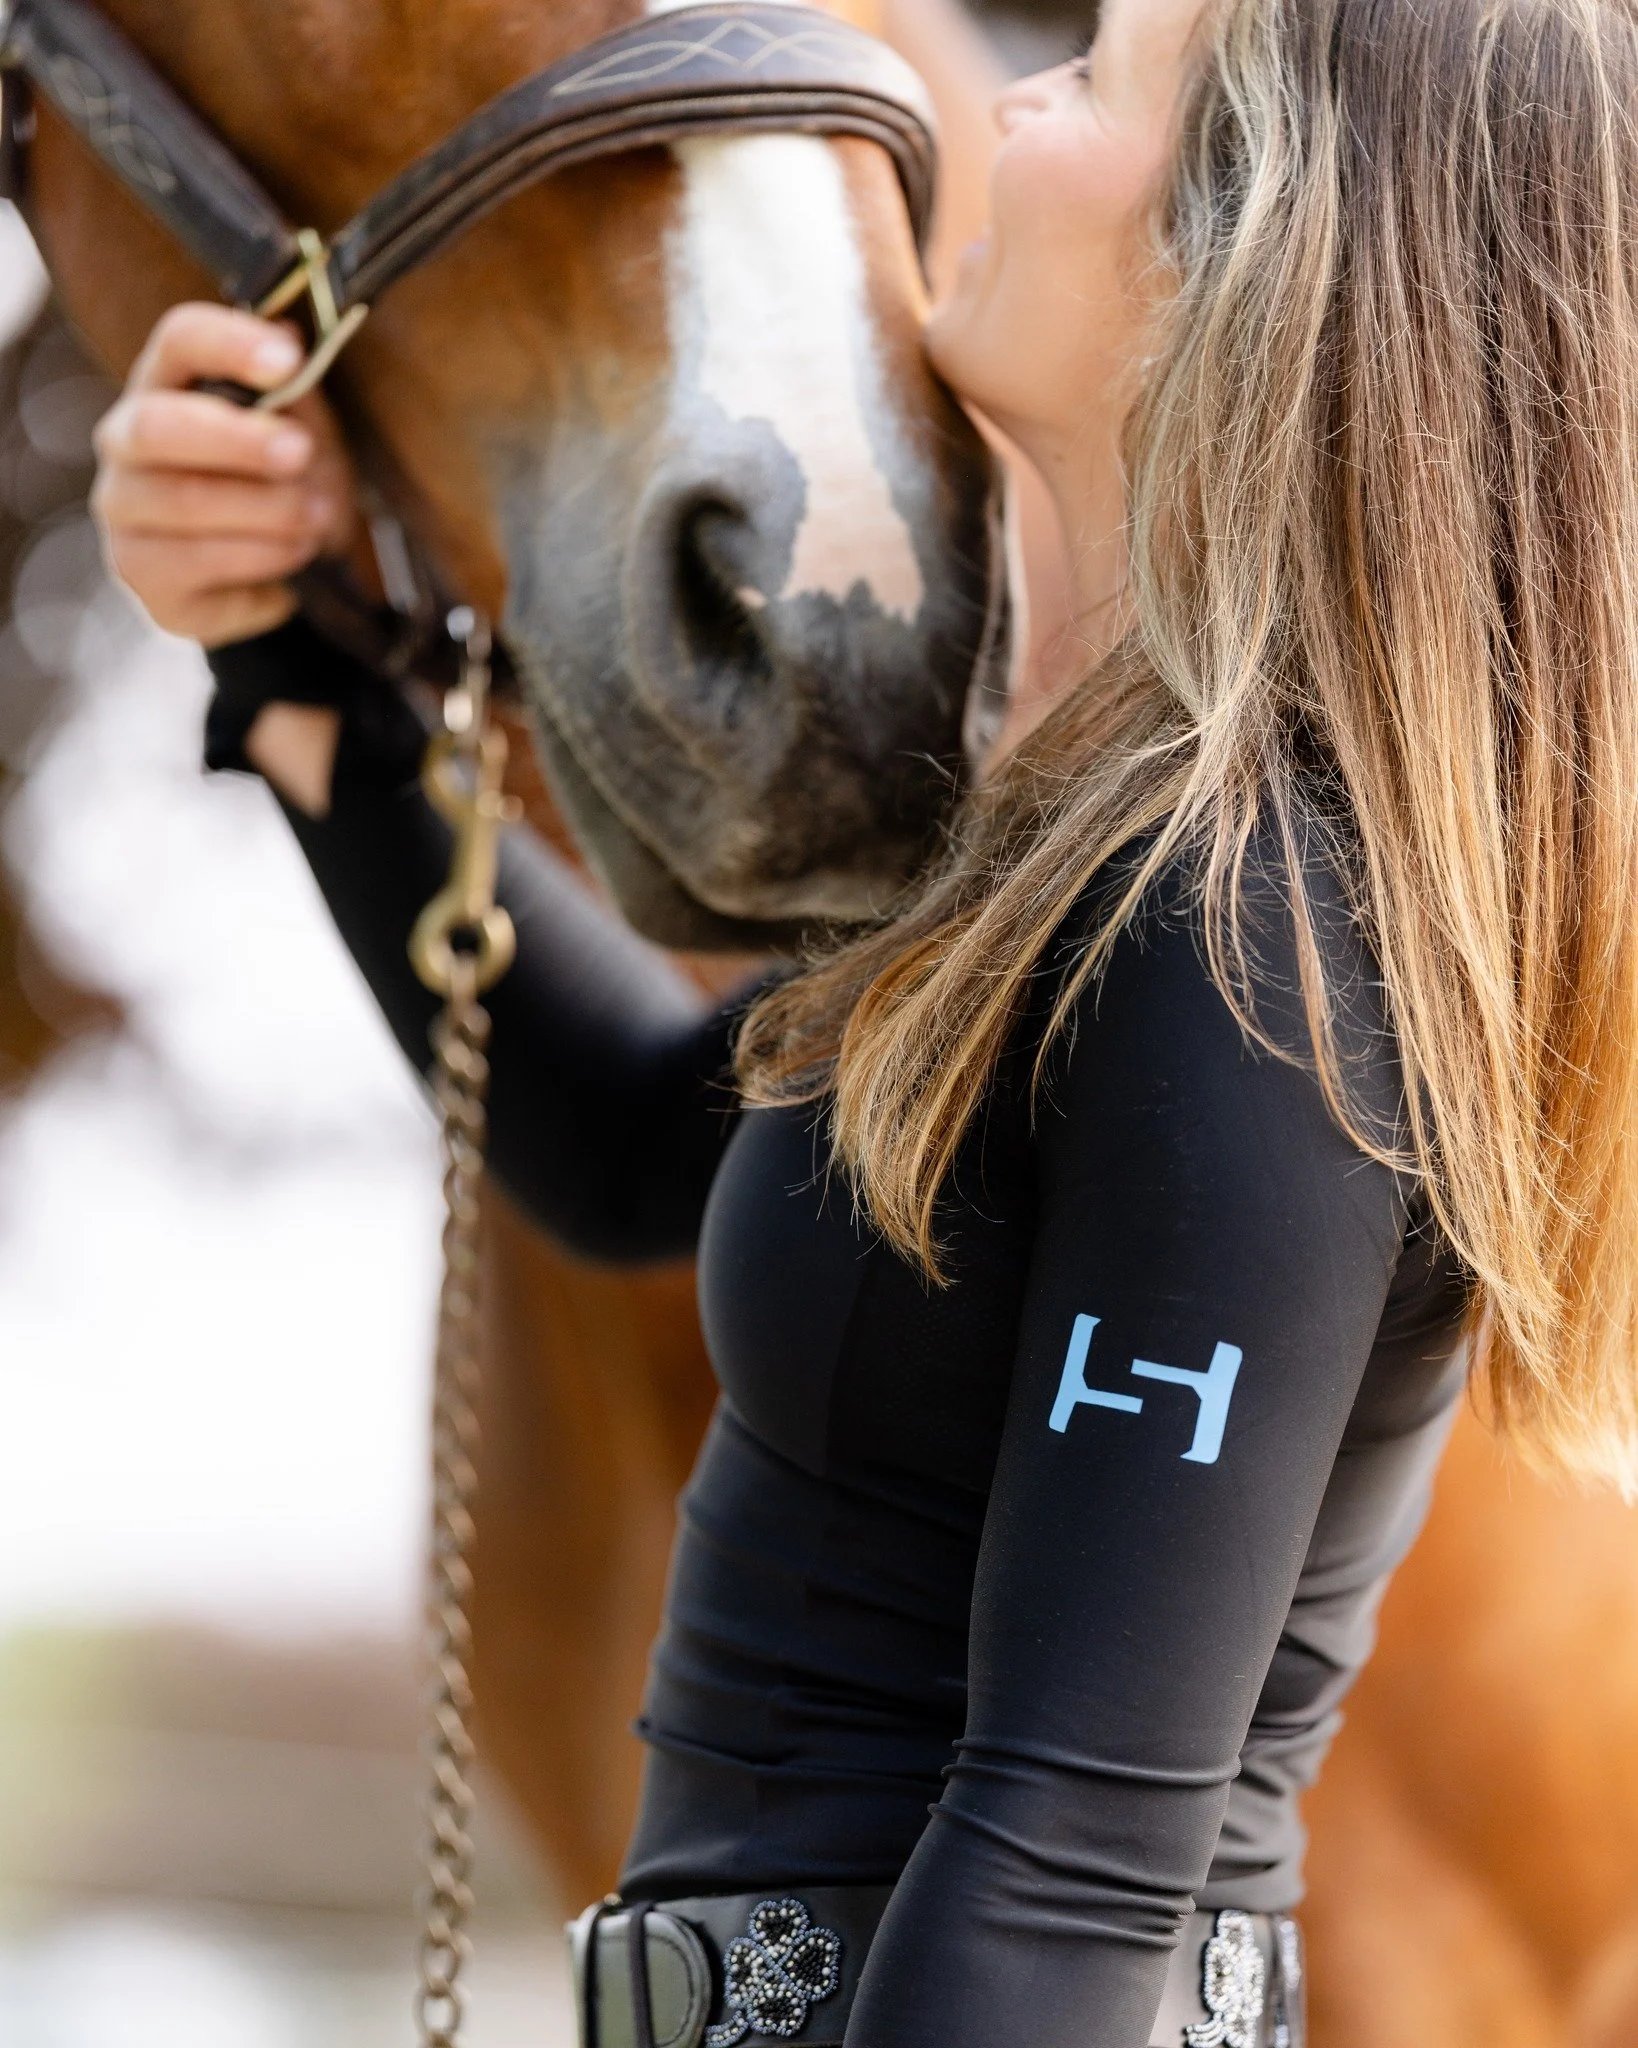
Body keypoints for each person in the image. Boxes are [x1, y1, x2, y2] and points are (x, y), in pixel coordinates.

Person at [89, 0, 1638, 2041]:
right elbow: (648, 1144)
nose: (990, 103)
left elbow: (1071, 1865)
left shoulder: (1252, 942)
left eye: (1087, 85)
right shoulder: (1090, 855)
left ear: (1236, 245)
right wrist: (302, 666)